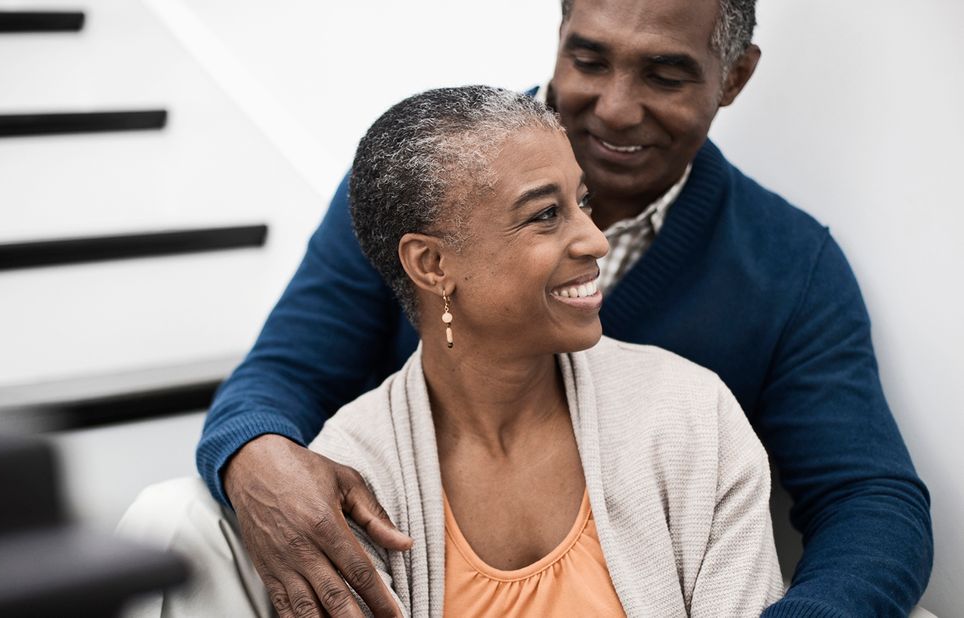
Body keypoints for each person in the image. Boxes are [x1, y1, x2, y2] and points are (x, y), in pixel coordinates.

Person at [196, 0, 932, 616]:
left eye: (666, 73)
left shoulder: (786, 268)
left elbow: (870, 496)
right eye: (588, 60)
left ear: (734, 77)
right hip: (429, 558)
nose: (614, 106)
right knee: (177, 519)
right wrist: (253, 457)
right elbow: (284, 372)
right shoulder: (420, 186)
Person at [121, 84, 783, 617]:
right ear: (432, 264)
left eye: (582, 203)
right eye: (545, 215)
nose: (597, 240)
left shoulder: (692, 416)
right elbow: (282, 367)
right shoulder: (354, 479)